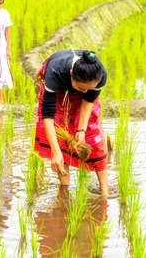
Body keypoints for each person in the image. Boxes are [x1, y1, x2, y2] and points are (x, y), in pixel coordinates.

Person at [34, 49, 109, 195]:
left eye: (90, 88)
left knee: (93, 134)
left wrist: (81, 131)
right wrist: (55, 152)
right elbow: (48, 116)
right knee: (60, 133)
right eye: (81, 88)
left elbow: (88, 101)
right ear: (70, 75)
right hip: (57, 85)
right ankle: (64, 190)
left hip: (81, 83)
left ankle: (104, 192)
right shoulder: (55, 72)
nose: (85, 92)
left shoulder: (99, 75)